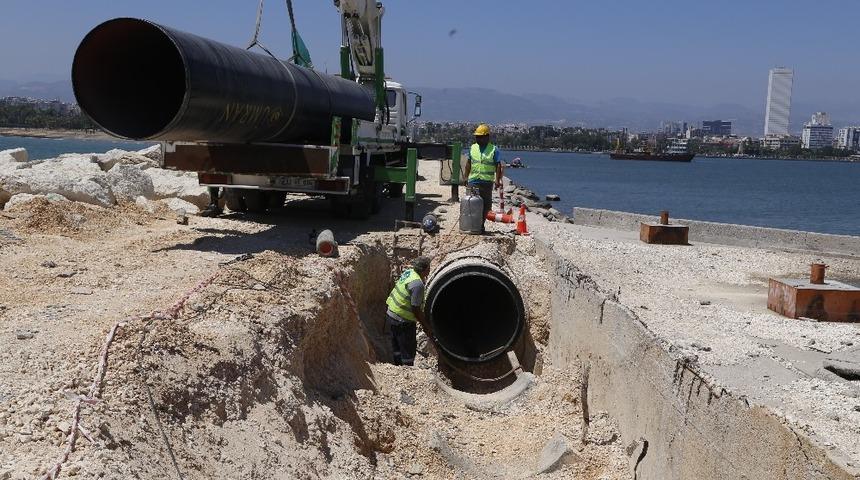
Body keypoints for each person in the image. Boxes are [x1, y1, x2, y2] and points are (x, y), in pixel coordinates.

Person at [385, 256, 432, 366]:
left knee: (396, 344)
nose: (430, 270)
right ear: (424, 270)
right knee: (407, 348)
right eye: (429, 268)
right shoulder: (418, 285)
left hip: (391, 313)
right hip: (402, 320)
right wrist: (425, 326)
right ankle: (407, 371)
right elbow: (415, 308)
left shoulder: (410, 272)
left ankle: (397, 366)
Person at [462, 124, 503, 233]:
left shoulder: (494, 149)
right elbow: (469, 163)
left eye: (480, 137)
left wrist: (497, 180)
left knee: (486, 205)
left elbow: (498, 165)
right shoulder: (473, 147)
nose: (478, 139)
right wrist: (466, 177)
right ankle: (471, 225)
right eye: (477, 137)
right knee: (471, 204)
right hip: (473, 180)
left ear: (487, 137)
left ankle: (480, 225)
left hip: (486, 182)